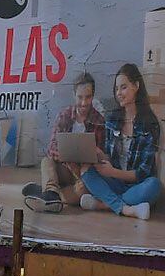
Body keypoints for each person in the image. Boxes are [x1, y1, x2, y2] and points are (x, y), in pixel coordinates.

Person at [79, 64, 163, 220]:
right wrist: (99, 155)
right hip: (115, 182)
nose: (119, 93)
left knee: (154, 186)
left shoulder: (150, 124)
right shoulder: (112, 120)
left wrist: (113, 172)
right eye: (117, 89)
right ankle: (128, 209)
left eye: (123, 88)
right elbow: (110, 158)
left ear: (136, 86)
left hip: (136, 185)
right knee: (86, 171)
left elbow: (143, 173)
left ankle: (102, 204)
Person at [23, 72, 105, 214]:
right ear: (74, 95)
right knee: (46, 161)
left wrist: (83, 167)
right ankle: (51, 193)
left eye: (88, 97)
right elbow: (52, 147)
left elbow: (99, 155)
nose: (84, 103)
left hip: (83, 174)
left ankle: (48, 193)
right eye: (80, 97)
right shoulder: (65, 115)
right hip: (65, 167)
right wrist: (69, 160)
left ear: (93, 96)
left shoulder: (99, 121)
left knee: (82, 192)